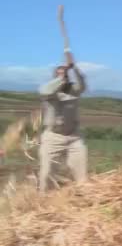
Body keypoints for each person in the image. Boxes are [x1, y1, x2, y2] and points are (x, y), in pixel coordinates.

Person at [38, 49, 88, 193]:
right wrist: (63, 73)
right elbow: (45, 90)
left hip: (74, 137)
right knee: (47, 173)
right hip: (53, 137)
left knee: (81, 174)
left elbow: (83, 83)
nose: (63, 76)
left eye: (65, 74)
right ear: (55, 78)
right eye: (59, 73)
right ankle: (42, 201)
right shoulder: (49, 92)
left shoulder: (74, 90)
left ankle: (83, 199)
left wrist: (74, 67)